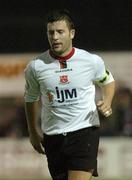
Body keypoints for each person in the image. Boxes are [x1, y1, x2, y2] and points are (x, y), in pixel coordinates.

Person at [24, 9, 115, 180]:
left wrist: (107, 101)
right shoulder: (36, 67)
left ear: (71, 33)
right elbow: (30, 98)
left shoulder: (90, 61)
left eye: (60, 32)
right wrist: (32, 132)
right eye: (51, 32)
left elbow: (108, 81)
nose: (55, 37)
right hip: (53, 137)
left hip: (84, 132)